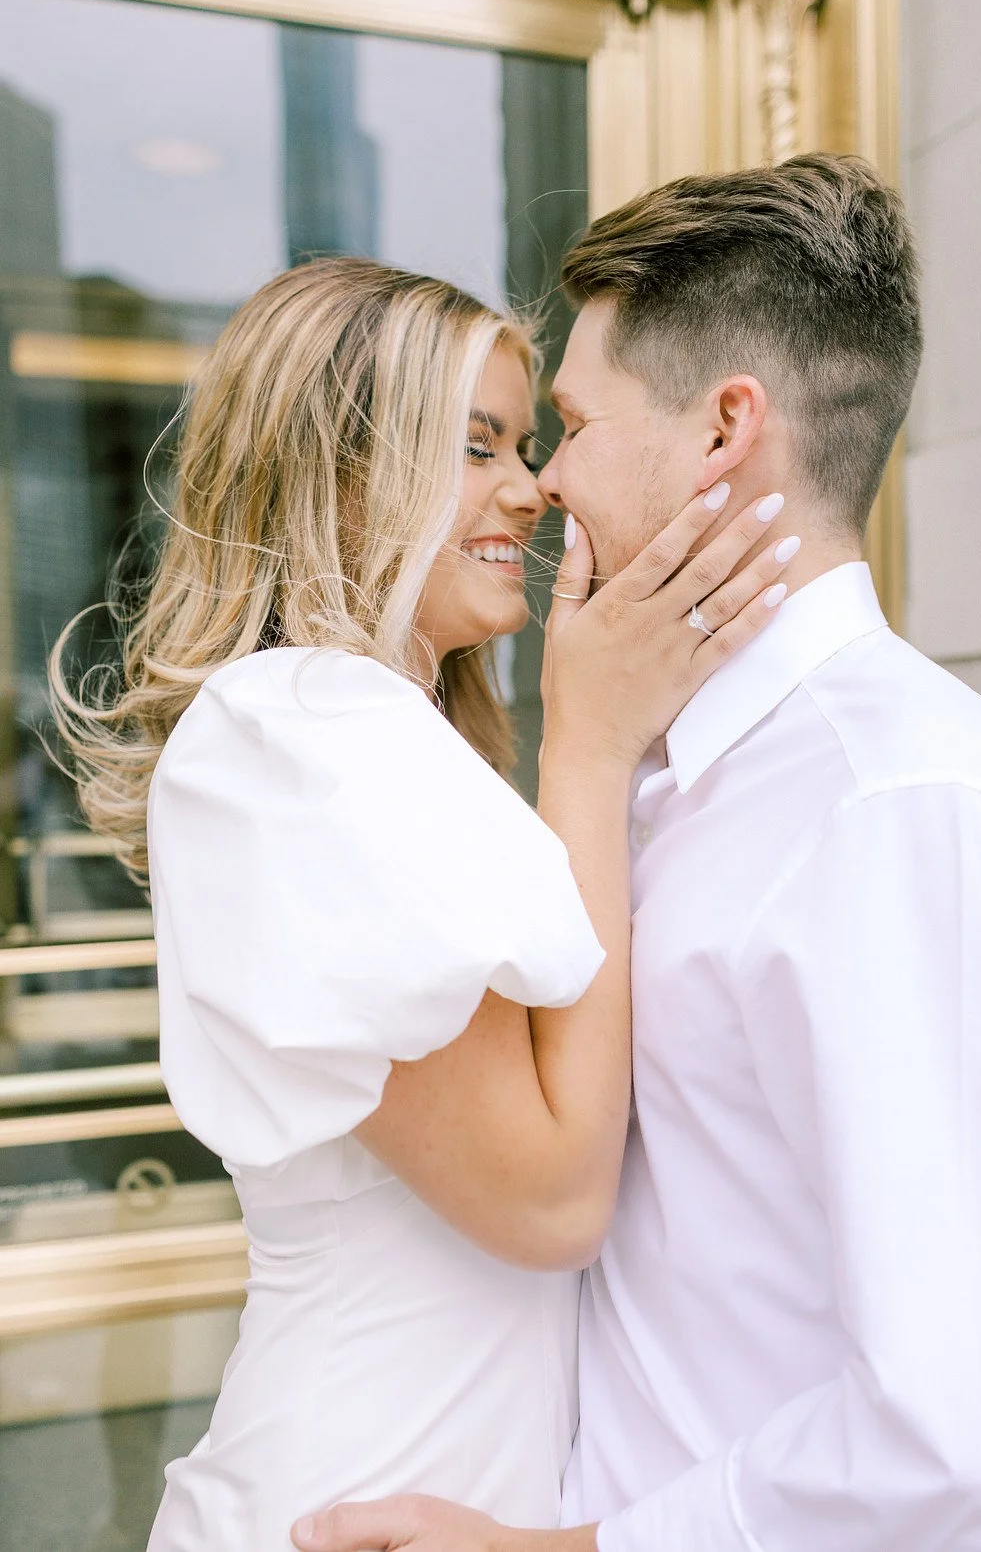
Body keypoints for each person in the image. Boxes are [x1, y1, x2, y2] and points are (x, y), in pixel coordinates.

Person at [291, 156, 981, 1552]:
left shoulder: (904, 810)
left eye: (575, 426)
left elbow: (978, 1430)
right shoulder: (663, 776)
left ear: (726, 431)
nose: (541, 487)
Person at [49, 258, 794, 1552]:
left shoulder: (379, 742)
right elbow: (551, 1199)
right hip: (360, 1508)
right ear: (337, 471)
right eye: (476, 446)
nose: (530, 488)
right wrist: (592, 743)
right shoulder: (293, 734)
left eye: (530, 443)